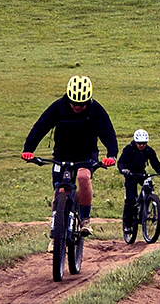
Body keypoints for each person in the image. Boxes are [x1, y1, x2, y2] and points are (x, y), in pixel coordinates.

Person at [21, 75, 118, 247]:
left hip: (86, 155)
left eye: (82, 104)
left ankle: (85, 220)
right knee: (60, 191)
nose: (77, 107)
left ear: (88, 100)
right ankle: (55, 236)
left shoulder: (96, 110)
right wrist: (28, 150)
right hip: (62, 155)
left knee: (83, 178)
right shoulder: (58, 107)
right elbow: (40, 127)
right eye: (74, 103)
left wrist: (111, 155)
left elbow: (108, 133)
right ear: (68, 98)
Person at [117, 129, 160, 234]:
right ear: (135, 142)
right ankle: (127, 224)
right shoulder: (129, 149)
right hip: (130, 174)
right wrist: (123, 170)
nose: (141, 145)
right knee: (130, 199)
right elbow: (121, 162)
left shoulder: (149, 151)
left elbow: (155, 164)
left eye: (144, 143)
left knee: (149, 186)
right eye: (139, 143)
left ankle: (147, 204)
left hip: (141, 173)